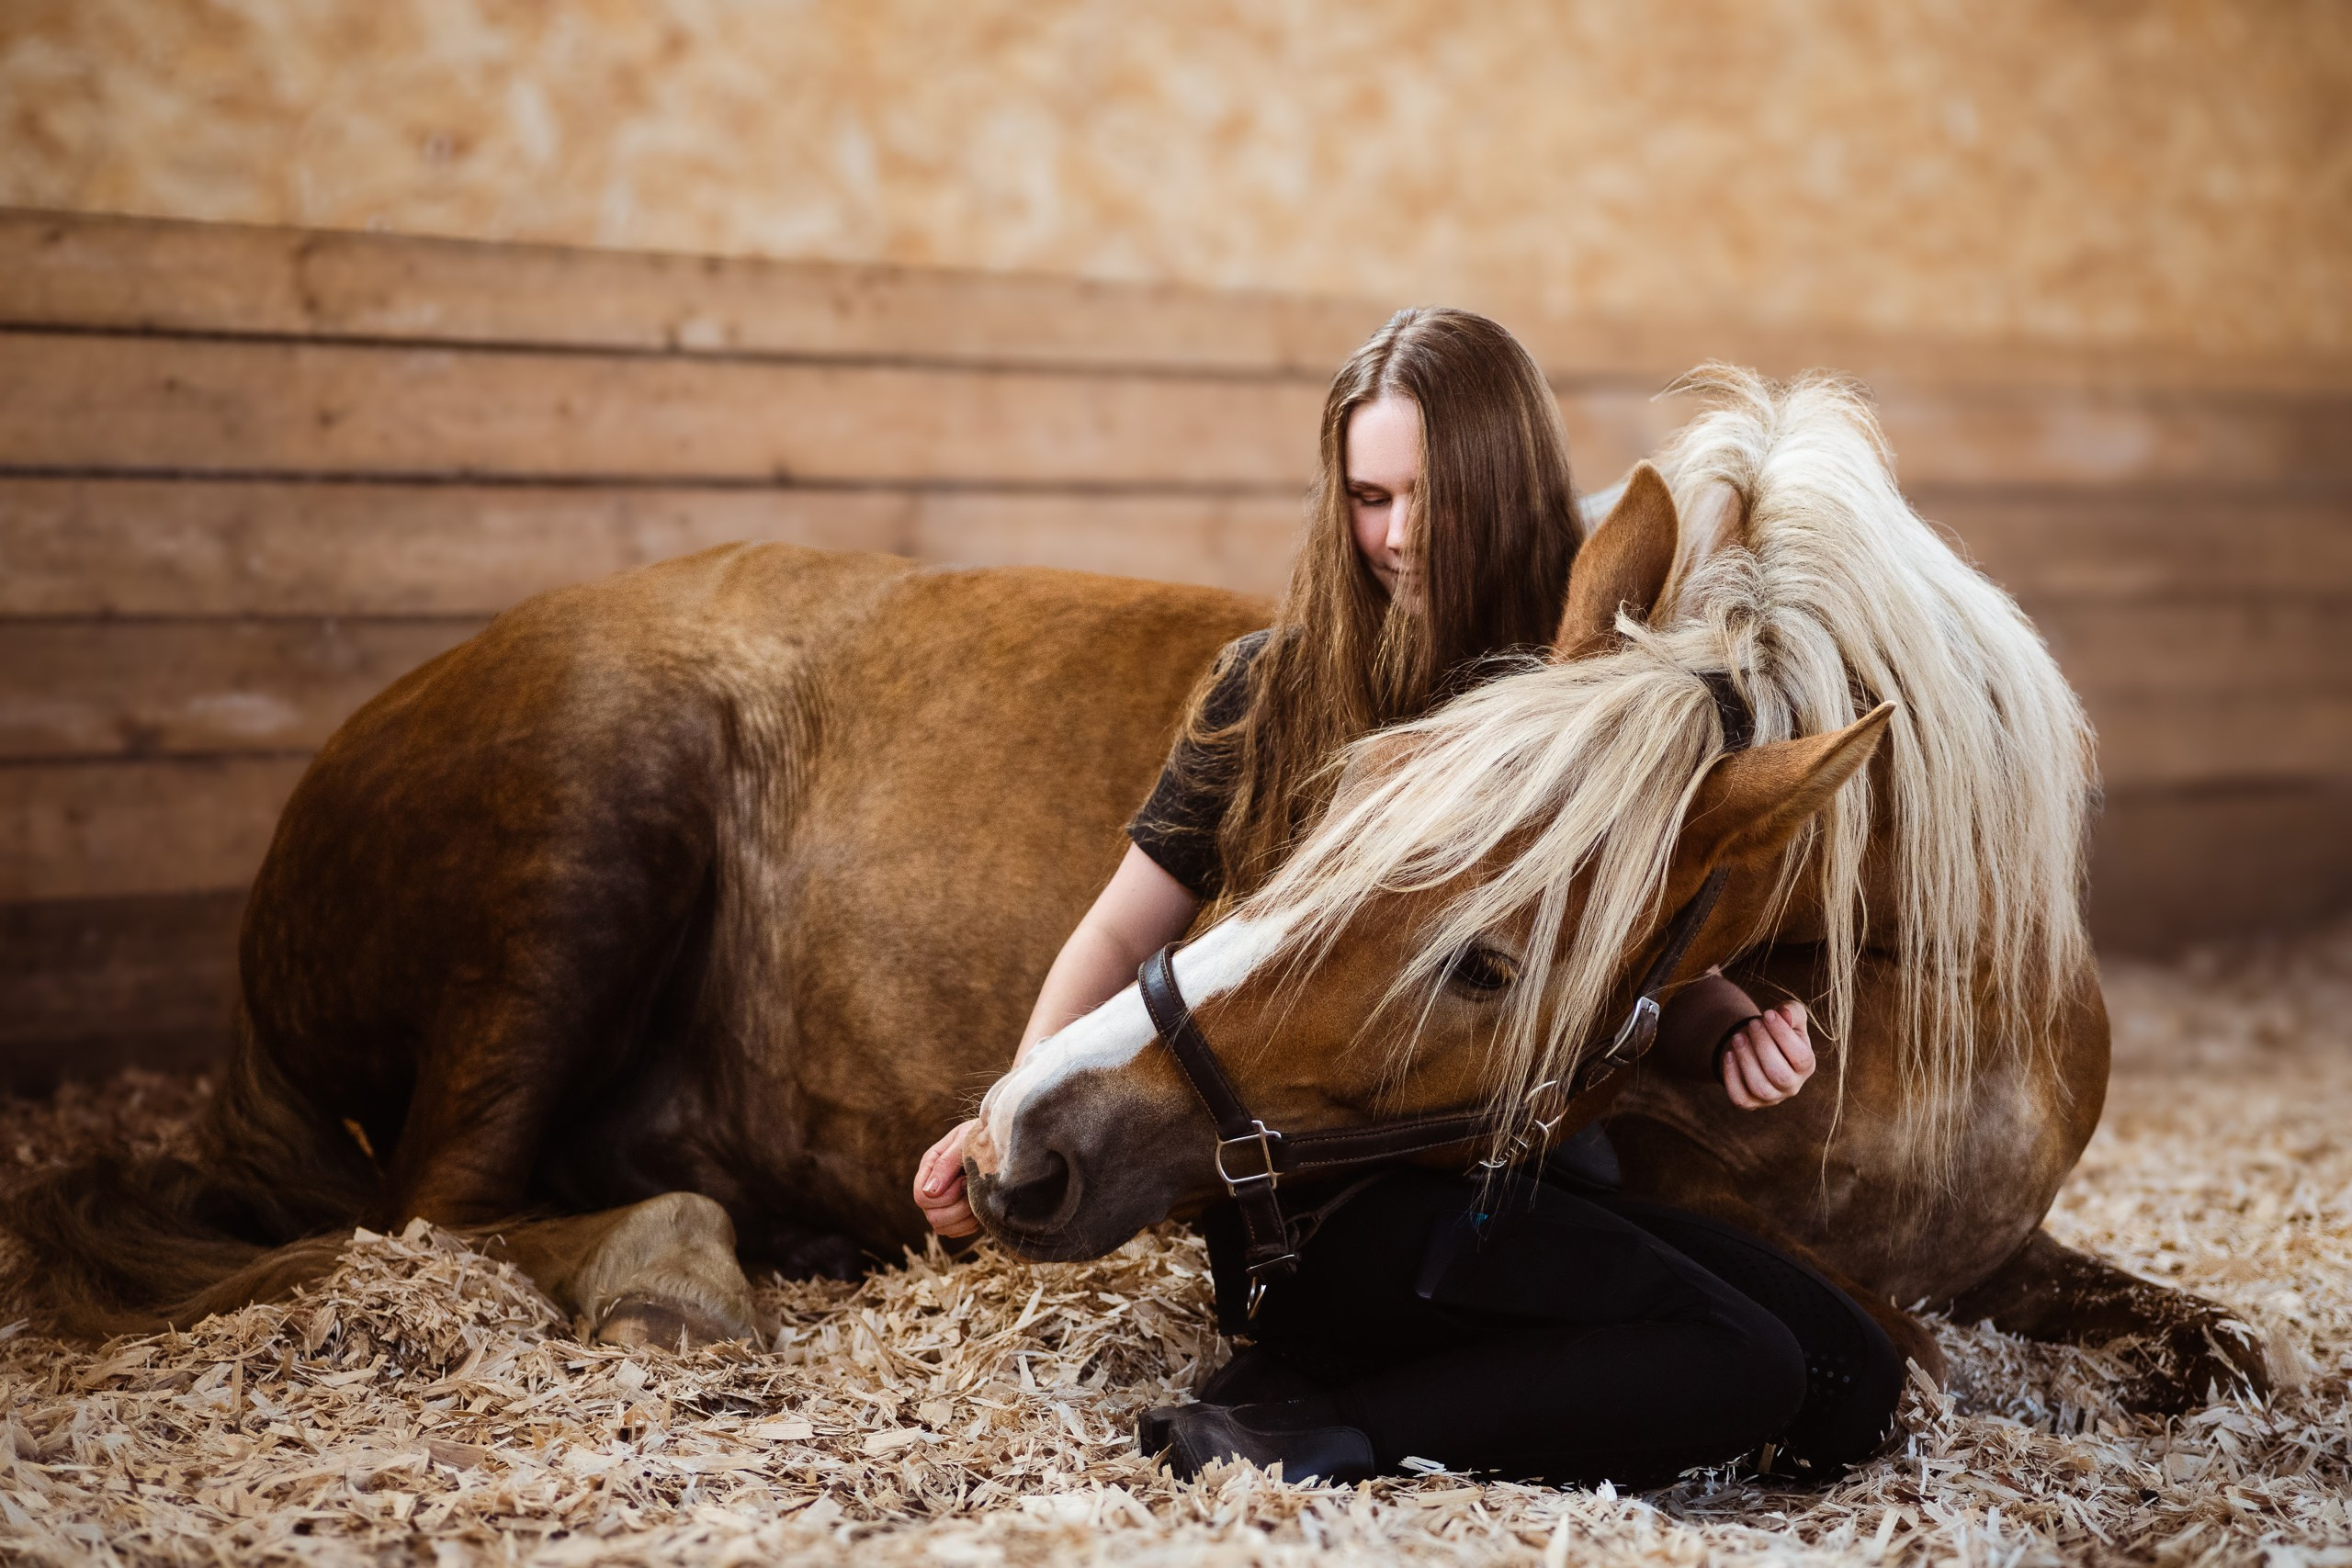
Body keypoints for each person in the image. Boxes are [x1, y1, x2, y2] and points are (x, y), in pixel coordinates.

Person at [911, 308, 1904, 1488]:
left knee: (1852, 1379)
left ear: (1512, 486)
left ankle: (1313, 1392)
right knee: (1749, 1369)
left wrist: (1727, 1022)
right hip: (1332, 1192)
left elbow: (1585, 941)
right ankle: (1299, 1430)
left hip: (1513, 1177)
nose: (1399, 536)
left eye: (1435, 497)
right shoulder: (1270, 687)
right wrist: (1013, 1108)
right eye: (1368, 498)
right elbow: (1127, 925)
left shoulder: (1574, 689)